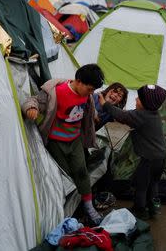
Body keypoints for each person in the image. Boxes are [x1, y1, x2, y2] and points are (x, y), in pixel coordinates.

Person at [22, 64, 105, 225]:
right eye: (89, 88)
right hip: (56, 142)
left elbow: (85, 109)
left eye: (93, 90)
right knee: (65, 175)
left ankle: (88, 206)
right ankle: (70, 207)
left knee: (81, 171)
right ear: (79, 81)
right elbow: (35, 101)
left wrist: (93, 115)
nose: (91, 93)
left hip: (74, 140)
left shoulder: (86, 95)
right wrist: (31, 108)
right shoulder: (56, 91)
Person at [98, 84, 166, 219]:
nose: (136, 99)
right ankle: (153, 209)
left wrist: (105, 104)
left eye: (139, 99)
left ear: (146, 104)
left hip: (149, 159)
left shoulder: (141, 115)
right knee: (153, 184)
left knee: (141, 185)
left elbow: (122, 115)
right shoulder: (153, 113)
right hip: (160, 158)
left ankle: (139, 210)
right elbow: (128, 116)